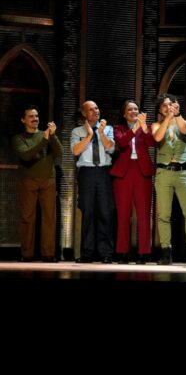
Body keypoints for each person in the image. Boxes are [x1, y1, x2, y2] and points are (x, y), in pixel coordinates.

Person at [12, 105, 62, 262]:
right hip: (28, 180)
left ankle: (48, 254)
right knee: (27, 217)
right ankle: (26, 254)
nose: (35, 119)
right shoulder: (19, 138)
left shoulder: (46, 134)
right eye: (31, 116)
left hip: (48, 179)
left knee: (49, 218)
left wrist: (53, 136)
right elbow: (26, 155)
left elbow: (60, 152)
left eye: (36, 116)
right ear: (23, 120)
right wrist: (44, 140)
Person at [152, 93, 186, 265]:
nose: (167, 107)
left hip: (182, 172)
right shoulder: (156, 125)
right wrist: (167, 118)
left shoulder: (182, 121)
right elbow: (157, 137)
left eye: (170, 104)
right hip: (164, 172)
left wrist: (176, 115)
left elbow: (185, 131)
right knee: (164, 214)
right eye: (164, 105)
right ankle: (166, 251)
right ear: (159, 109)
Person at [111, 100, 156, 264]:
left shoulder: (145, 127)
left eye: (136, 109)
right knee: (123, 214)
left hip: (142, 172)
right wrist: (134, 129)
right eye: (130, 109)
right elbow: (122, 142)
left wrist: (143, 128)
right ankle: (122, 252)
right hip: (124, 172)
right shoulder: (118, 128)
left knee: (144, 214)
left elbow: (152, 143)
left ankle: (144, 252)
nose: (133, 112)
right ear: (124, 114)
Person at [71, 100, 115, 262]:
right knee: (87, 212)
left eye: (96, 108)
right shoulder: (77, 131)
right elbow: (76, 151)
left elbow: (111, 148)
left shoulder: (108, 129)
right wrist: (90, 135)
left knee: (105, 212)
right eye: (91, 109)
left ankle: (106, 253)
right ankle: (87, 253)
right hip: (87, 173)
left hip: (104, 172)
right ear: (84, 113)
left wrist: (101, 133)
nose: (95, 111)